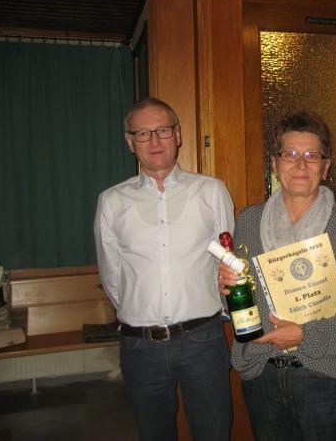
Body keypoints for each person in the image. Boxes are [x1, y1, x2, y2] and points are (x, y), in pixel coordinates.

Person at [218, 111, 336, 441]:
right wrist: (227, 286)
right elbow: (241, 299)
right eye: (290, 155)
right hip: (261, 372)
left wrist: (305, 336)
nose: (301, 164)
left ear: (326, 166)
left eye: (312, 156)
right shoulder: (249, 220)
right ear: (275, 164)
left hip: (322, 373)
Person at [94, 97, 234, 441]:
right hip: (141, 347)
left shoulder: (211, 191)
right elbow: (112, 276)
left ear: (178, 135)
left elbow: (228, 264)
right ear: (130, 142)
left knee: (215, 432)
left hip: (204, 339)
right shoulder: (111, 201)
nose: (154, 141)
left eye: (163, 130)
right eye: (143, 133)